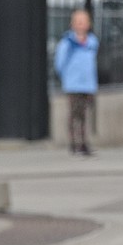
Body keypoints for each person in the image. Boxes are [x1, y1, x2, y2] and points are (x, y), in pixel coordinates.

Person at [54, 8, 99, 157]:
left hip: (87, 84)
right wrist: (67, 77)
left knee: (85, 115)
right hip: (73, 85)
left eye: (84, 22)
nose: (81, 25)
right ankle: (75, 143)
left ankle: (84, 142)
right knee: (75, 115)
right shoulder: (67, 43)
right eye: (78, 22)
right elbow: (59, 63)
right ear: (72, 24)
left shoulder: (92, 42)